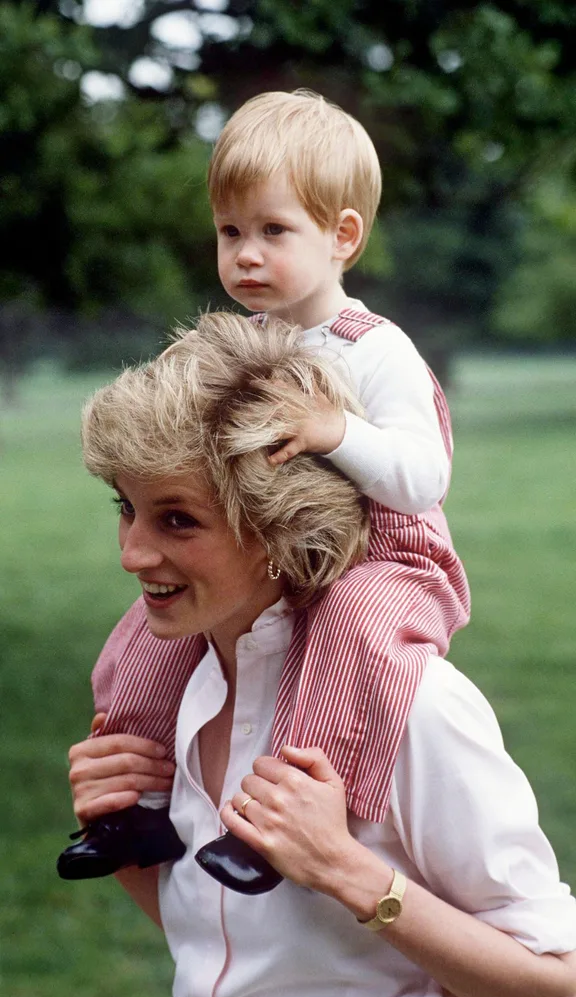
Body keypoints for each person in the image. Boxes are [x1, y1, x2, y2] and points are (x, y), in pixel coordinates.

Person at [66, 313, 576, 997]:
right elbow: (240, 965)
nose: (132, 553)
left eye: (177, 520)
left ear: (281, 523)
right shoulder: (180, 684)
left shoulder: (413, 704)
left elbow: (560, 990)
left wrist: (345, 869)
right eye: (128, 508)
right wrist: (123, 842)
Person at [57, 89, 470, 881]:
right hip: (268, 552)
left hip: (385, 560)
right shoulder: (238, 339)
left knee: (351, 627)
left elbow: (422, 480)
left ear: (342, 235)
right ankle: (133, 812)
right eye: (230, 232)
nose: (245, 254)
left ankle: (277, 819)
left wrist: (335, 431)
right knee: (142, 639)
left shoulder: (374, 348)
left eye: (273, 231)